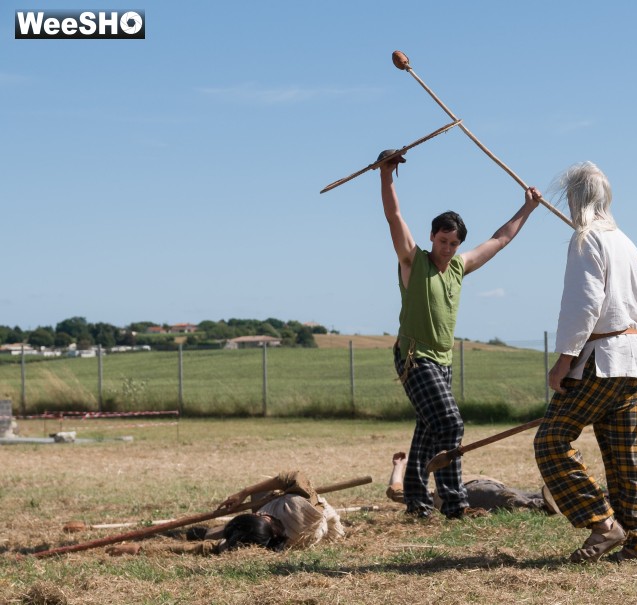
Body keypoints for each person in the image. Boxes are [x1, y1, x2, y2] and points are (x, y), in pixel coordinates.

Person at [379, 150, 541, 520]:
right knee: (450, 423)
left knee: (428, 427)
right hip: (415, 357)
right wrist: (386, 175)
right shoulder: (412, 261)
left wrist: (527, 208)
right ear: (432, 236)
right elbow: (394, 217)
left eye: (453, 244)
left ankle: (417, 502)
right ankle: (454, 503)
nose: (447, 249)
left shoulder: (458, 267)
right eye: (442, 241)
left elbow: (500, 240)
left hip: (443, 361)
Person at [533, 161, 637, 564]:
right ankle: (636, 541)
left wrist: (563, 361)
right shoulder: (628, 243)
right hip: (632, 360)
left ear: (576, 200)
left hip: (600, 361)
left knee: (551, 442)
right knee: (625, 455)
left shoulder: (586, 240)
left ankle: (605, 525)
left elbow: (583, 305)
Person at [106, 471, 344, 556]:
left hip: (309, 525)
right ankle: (202, 532)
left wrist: (140, 550)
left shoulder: (255, 543)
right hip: (295, 514)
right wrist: (244, 493)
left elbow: (206, 549)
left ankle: (204, 532)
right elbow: (292, 476)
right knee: (264, 490)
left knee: (204, 536)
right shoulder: (301, 503)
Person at [385, 452, 558, 515]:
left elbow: (396, 490)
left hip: (487, 485)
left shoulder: (442, 486)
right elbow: (395, 491)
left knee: (523, 495)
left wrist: (400, 466)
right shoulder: (429, 495)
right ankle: (544, 506)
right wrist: (399, 466)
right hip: (474, 489)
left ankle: (561, 501)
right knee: (510, 499)